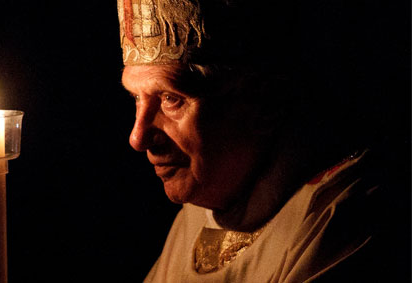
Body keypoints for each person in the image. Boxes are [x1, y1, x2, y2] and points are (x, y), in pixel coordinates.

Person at [117, 0, 408, 281]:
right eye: (136, 98)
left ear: (259, 103)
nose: (138, 137)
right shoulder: (199, 211)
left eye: (171, 99)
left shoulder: (336, 216)